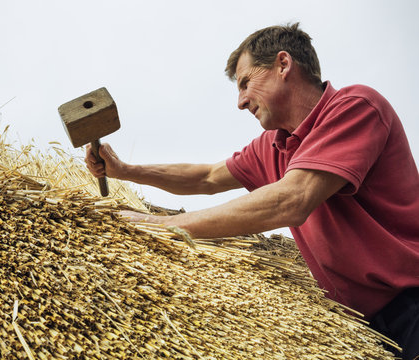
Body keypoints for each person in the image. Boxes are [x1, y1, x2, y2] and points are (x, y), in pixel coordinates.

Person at [85, 23, 419, 358]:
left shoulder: (356, 107)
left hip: (412, 304)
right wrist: (125, 171)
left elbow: (294, 198)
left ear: (283, 65)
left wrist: (160, 225)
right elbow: (207, 177)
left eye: (246, 83)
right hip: (366, 331)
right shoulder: (273, 147)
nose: (241, 102)